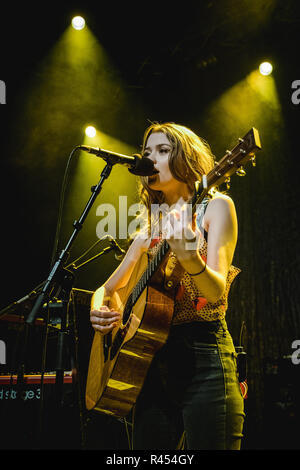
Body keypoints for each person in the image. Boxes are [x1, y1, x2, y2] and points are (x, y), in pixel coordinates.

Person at [89, 122, 245, 450]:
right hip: (150, 364)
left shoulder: (216, 207)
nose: (150, 158)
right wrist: (98, 309)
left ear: (187, 157)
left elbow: (215, 292)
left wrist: (192, 260)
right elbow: (106, 288)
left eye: (162, 150)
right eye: (147, 152)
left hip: (204, 356)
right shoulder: (149, 228)